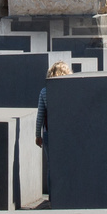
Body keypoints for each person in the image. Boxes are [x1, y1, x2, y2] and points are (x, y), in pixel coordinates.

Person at [35, 58, 74, 197]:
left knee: (52, 166)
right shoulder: (71, 91)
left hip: (49, 133)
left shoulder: (44, 92)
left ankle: (52, 197)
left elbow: (40, 115)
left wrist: (37, 135)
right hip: (67, 133)